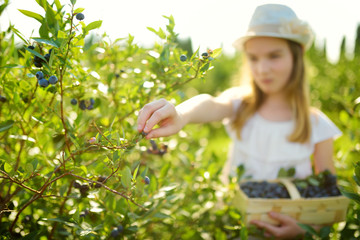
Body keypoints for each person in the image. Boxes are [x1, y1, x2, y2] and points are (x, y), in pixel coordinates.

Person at [137, 4, 341, 239]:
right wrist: (182, 114)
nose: (262, 68)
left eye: (274, 55)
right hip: (229, 228)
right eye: (253, 58)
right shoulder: (242, 105)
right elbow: (211, 103)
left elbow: (328, 199)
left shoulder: (317, 126)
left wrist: (306, 229)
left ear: (298, 55)